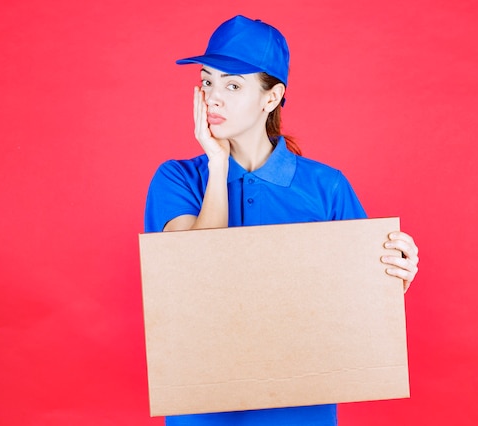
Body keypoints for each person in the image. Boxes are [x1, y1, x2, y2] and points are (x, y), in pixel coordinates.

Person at [144, 14, 419, 426]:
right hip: (203, 408)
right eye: (207, 81)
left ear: (271, 98)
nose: (213, 97)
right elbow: (193, 272)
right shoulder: (177, 178)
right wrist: (217, 166)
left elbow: (361, 300)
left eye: (233, 85)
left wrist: (398, 272)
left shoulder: (326, 187)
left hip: (300, 408)